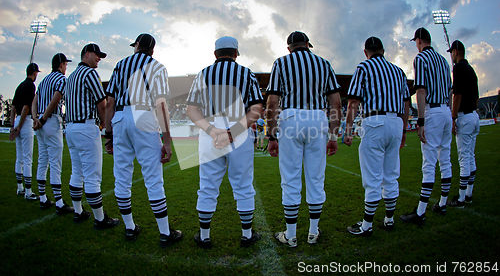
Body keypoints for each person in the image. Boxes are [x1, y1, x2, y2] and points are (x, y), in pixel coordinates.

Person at [104, 33, 182, 247]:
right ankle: (165, 232)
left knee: (121, 176)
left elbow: (110, 102)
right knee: (153, 177)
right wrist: (166, 141)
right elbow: (161, 105)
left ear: (137, 45)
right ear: (153, 50)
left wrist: (108, 134)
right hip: (144, 116)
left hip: (120, 117)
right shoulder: (157, 66)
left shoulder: (121, 64)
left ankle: (129, 227)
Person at [186, 36, 263, 248]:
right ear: (236, 53)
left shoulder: (204, 73)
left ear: (215, 54)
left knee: (208, 185)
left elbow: (191, 109)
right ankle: (247, 235)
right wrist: (232, 132)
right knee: (243, 184)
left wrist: (212, 131)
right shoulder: (246, 73)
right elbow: (256, 108)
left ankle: (204, 235)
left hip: (210, 131)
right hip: (239, 129)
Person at [266, 31, 342, 247]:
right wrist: (333, 134)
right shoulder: (324, 64)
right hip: (318, 117)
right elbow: (335, 103)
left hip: (290, 118)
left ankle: (290, 235)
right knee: (315, 177)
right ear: (308, 45)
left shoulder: (281, 63)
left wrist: (271, 135)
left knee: (290, 176)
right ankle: (313, 231)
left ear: (289, 48)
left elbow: (272, 102)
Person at [344, 37, 410, 236]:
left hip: (375, 121)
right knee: (391, 175)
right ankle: (389, 219)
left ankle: (367, 225)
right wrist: (404, 129)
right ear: (383, 50)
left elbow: (353, 101)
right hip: (396, 121)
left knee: (372, 177)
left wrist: (347, 130)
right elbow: (406, 102)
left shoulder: (363, 68)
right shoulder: (398, 71)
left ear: (366, 52)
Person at [400, 27, 453, 224]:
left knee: (429, 162)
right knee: (445, 159)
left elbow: (420, 90)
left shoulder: (421, 58)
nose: (416, 44)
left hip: (432, 111)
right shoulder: (443, 60)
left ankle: (421, 212)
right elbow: (449, 90)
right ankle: (443, 203)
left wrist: (420, 120)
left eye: (415, 41)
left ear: (420, 40)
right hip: (446, 110)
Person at [65, 43, 119, 228]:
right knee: (92, 175)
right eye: (96, 55)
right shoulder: (89, 74)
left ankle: (79, 212)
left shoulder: (71, 76)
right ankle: (100, 218)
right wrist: (105, 125)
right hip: (86, 127)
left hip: (70, 128)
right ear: (86, 54)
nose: (99, 58)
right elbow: (102, 103)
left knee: (77, 171)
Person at [32, 53, 74, 215]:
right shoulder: (61, 79)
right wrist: (42, 119)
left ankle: (43, 198)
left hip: (41, 121)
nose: (66, 67)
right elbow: (56, 98)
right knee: (55, 163)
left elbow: (35, 100)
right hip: (50, 120)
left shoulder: (43, 81)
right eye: (65, 64)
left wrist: (36, 118)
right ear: (62, 64)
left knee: (43, 160)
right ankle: (58, 202)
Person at [447, 40, 479, 207]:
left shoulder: (458, 68)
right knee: (470, 156)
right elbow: (477, 96)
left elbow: (457, 95)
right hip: (474, 115)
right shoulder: (471, 70)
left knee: (464, 158)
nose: (451, 55)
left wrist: (453, 118)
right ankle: (468, 194)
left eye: (451, 52)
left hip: (464, 116)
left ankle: (461, 199)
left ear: (456, 51)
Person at [10, 63, 40, 199]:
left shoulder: (20, 86)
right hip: (25, 121)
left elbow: (13, 108)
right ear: (34, 73)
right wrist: (20, 126)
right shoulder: (30, 86)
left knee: (19, 157)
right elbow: (26, 108)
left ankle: (19, 188)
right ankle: (28, 191)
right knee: (28, 158)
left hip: (17, 120)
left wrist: (13, 126)